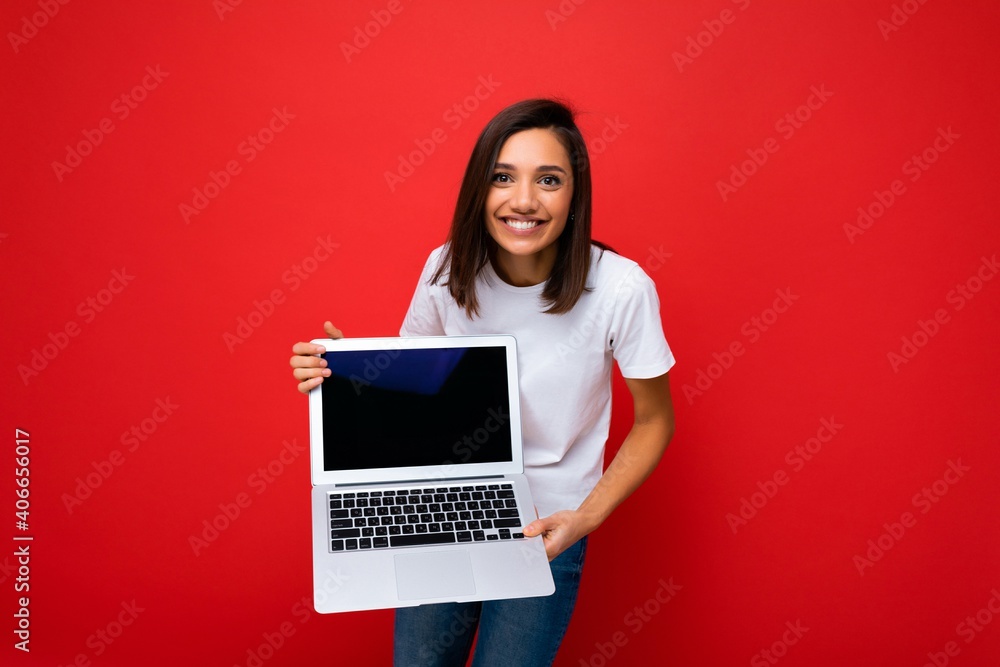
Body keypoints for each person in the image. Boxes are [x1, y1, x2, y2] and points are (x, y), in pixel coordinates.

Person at [290, 99, 676, 666]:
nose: (524, 201)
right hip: (439, 505)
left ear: (575, 195)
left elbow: (654, 420)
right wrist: (346, 374)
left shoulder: (621, 289)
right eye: (503, 177)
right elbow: (414, 394)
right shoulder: (446, 270)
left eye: (549, 179)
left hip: (546, 526)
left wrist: (586, 516)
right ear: (480, 188)